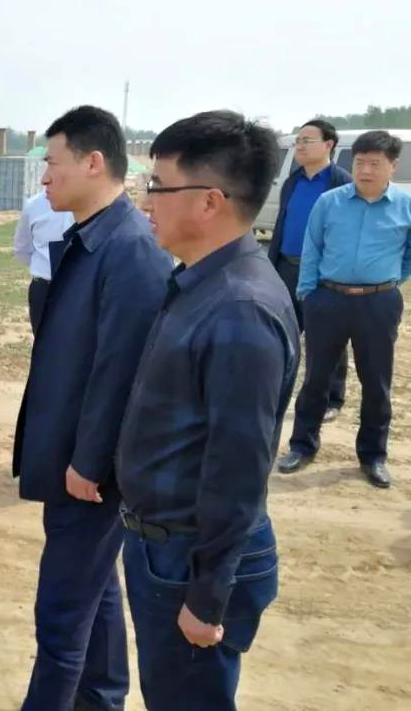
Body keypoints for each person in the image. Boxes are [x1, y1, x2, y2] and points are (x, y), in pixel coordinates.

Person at [117, 110, 299, 711]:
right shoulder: (201, 283)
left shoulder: (239, 306)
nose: (146, 201)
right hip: (166, 547)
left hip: (191, 558)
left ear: (209, 201)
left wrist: (207, 595)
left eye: (158, 186)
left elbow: (238, 468)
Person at [13, 106, 171, 711]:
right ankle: (102, 697)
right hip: (72, 457)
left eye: (52, 163)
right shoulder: (93, 236)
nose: (44, 177)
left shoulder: (129, 248)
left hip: (89, 472)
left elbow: (121, 371)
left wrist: (90, 462)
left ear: (93, 163)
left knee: (61, 614)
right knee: (95, 584)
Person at [279, 130, 410, 488]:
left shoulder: (405, 206)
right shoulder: (330, 202)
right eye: (360, 162)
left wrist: (388, 281)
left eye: (375, 164)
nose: (365, 170)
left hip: (378, 303)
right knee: (316, 378)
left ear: (392, 166)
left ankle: (373, 456)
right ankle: (302, 446)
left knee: (377, 383)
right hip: (328, 298)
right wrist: (309, 293)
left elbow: (409, 253)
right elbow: (313, 246)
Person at [268, 119, 351, 423]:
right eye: (298, 141)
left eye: (307, 140)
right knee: (283, 333)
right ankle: (277, 388)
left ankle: (331, 398)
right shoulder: (293, 182)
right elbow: (282, 225)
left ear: (329, 145)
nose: (299, 146)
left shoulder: (342, 183)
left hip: (323, 274)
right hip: (287, 267)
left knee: (327, 337)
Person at [13, 186, 75, 333]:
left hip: (78, 288)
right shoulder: (34, 205)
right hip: (45, 289)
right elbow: (22, 248)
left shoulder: (91, 202)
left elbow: (22, 250)